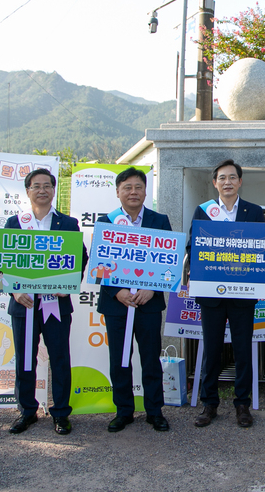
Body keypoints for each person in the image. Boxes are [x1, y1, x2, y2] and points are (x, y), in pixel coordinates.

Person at [6, 168, 88, 435]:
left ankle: (61, 413)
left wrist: (69, 283)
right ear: (27, 191)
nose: (42, 190)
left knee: (60, 359)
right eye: (35, 186)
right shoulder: (15, 222)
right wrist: (13, 290)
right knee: (25, 359)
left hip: (56, 304)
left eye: (47, 185)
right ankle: (27, 411)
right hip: (24, 304)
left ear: (54, 190)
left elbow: (81, 257)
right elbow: (1, 263)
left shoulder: (68, 223)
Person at [188, 159, 265, 428]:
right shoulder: (203, 211)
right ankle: (210, 403)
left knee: (243, 350)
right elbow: (193, 246)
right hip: (211, 294)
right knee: (211, 349)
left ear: (240, 182)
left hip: (243, 294)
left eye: (232, 177)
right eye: (222, 178)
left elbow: (262, 250)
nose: (227, 182)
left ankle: (242, 404)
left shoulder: (255, 212)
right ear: (215, 183)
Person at [97, 167, 172, 433]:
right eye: (127, 187)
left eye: (138, 187)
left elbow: (169, 263)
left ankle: (154, 411)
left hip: (148, 303)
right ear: (118, 192)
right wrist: (117, 291)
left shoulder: (159, 220)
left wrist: (152, 289)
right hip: (117, 304)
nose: (133, 192)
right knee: (120, 359)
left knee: (151, 358)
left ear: (145, 191)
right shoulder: (107, 222)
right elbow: (100, 264)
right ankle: (123, 411)